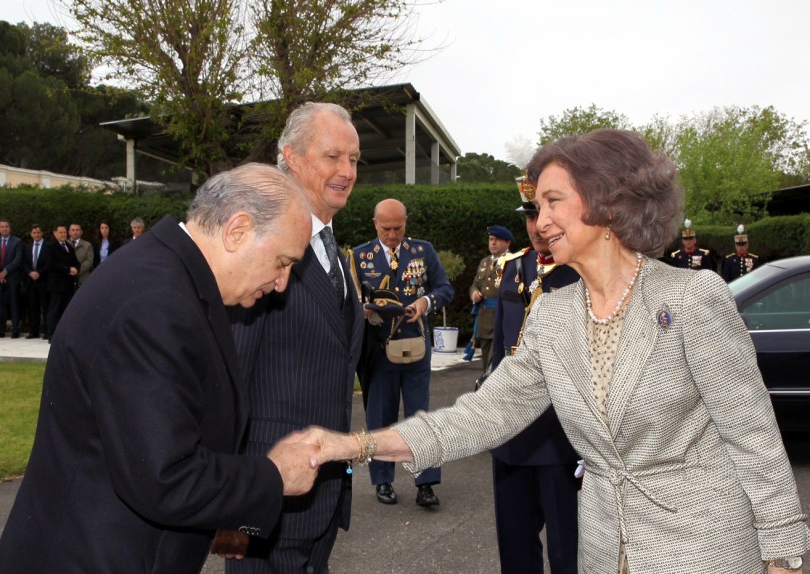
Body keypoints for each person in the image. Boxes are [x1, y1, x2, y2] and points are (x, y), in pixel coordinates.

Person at [307, 129, 810, 574]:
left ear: (608, 203)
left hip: (704, 550)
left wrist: (784, 554)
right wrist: (354, 446)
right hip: (602, 548)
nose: (540, 221)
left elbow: (754, 438)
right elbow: (482, 415)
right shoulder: (553, 314)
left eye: (553, 202)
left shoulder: (692, 297)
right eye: (537, 207)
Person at [0, 163, 320, 573]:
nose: (283, 282)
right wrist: (273, 476)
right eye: (283, 261)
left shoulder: (172, 279)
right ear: (238, 230)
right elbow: (164, 476)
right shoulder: (155, 302)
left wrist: (220, 516)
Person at [215, 102, 364, 574]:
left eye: (354, 160)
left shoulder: (333, 250)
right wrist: (236, 504)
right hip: (268, 506)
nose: (346, 171)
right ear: (292, 157)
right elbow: (228, 383)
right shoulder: (263, 248)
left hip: (322, 495)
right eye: (333, 156)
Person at [489, 173, 579, 574]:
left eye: (546, 210)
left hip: (562, 437)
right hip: (512, 434)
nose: (537, 224)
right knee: (516, 549)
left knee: (567, 552)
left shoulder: (581, 272)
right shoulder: (513, 267)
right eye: (530, 214)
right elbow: (499, 350)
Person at [352, 198, 454, 507]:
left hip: (415, 348)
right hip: (378, 351)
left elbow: (444, 289)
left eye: (398, 228)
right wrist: (364, 311)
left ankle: (425, 482)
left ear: (406, 222)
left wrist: (424, 304)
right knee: (380, 417)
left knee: (419, 417)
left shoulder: (423, 251)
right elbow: (349, 302)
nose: (393, 235)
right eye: (386, 229)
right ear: (375, 224)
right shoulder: (358, 256)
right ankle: (383, 480)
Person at [468, 224, 512, 371]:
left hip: (502, 318)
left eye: (497, 240)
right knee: (486, 361)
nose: (493, 242)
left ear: (507, 243)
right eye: (491, 239)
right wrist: (474, 293)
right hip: (484, 318)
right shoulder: (484, 262)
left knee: (497, 362)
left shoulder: (512, 262)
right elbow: (474, 285)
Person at [0, 218, 24, 338]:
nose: (4, 228)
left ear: (10, 228)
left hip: (12, 278)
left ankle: (16, 329)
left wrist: (5, 271)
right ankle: (0, 329)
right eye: (2, 227)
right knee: (0, 305)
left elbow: (18, 260)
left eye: (6, 226)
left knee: (14, 304)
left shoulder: (17, 242)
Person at [43, 224, 79, 341]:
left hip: (68, 284)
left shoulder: (68, 246)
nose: (63, 234)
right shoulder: (50, 246)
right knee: (54, 309)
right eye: (61, 232)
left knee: (65, 310)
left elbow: (75, 261)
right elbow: (51, 264)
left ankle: (62, 333)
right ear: (55, 233)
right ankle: (51, 334)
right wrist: (67, 269)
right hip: (56, 284)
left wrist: (76, 268)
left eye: (64, 232)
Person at [22, 224, 48, 339]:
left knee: (45, 306)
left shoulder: (48, 246)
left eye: (38, 232)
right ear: (31, 234)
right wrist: (30, 272)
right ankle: (34, 331)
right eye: (34, 233)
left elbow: (49, 263)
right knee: (33, 306)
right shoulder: (27, 247)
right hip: (31, 281)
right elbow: (24, 263)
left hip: (43, 280)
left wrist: (39, 273)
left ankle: (47, 330)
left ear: (42, 233)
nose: (36, 235)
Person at [68, 223, 94, 287]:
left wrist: (77, 270)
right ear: (69, 232)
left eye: (77, 230)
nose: (75, 232)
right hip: (67, 279)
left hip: (83, 279)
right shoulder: (64, 245)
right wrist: (68, 270)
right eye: (73, 230)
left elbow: (89, 261)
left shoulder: (88, 245)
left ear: (81, 232)